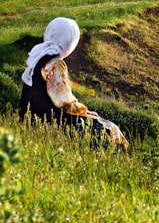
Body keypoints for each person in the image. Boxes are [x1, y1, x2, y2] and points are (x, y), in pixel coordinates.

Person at [19, 17, 128, 148]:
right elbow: (64, 101)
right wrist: (84, 112)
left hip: (32, 116)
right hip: (50, 120)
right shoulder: (56, 64)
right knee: (110, 128)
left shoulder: (38, 57)